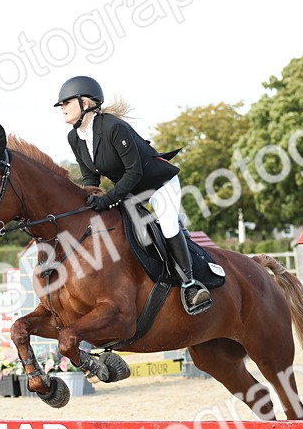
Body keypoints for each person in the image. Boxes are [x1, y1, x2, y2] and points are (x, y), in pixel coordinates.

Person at [55, 75, 211, 314]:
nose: (62, 107)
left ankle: (191, 284)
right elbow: (90, 177)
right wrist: (87, 200)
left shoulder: (113, 127)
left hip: (159, 183)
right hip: (129, 190)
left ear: (85, 103)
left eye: (66, 102)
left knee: (168, 226)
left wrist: (107, 199)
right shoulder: (74, 137)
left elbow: (134, 171)